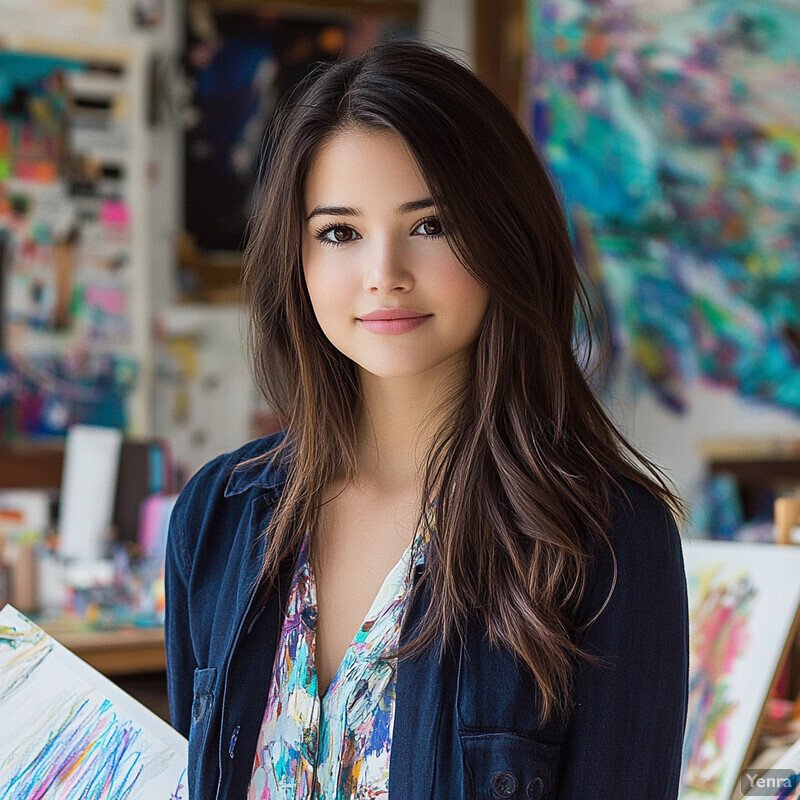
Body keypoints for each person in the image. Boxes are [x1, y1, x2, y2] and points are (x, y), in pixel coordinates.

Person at [165, 40, 689, 800]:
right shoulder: (215, 519)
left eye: (431, 224)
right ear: (298, 259)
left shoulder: (606, 540)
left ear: (501, 235)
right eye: (339, 232)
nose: (385, 273)